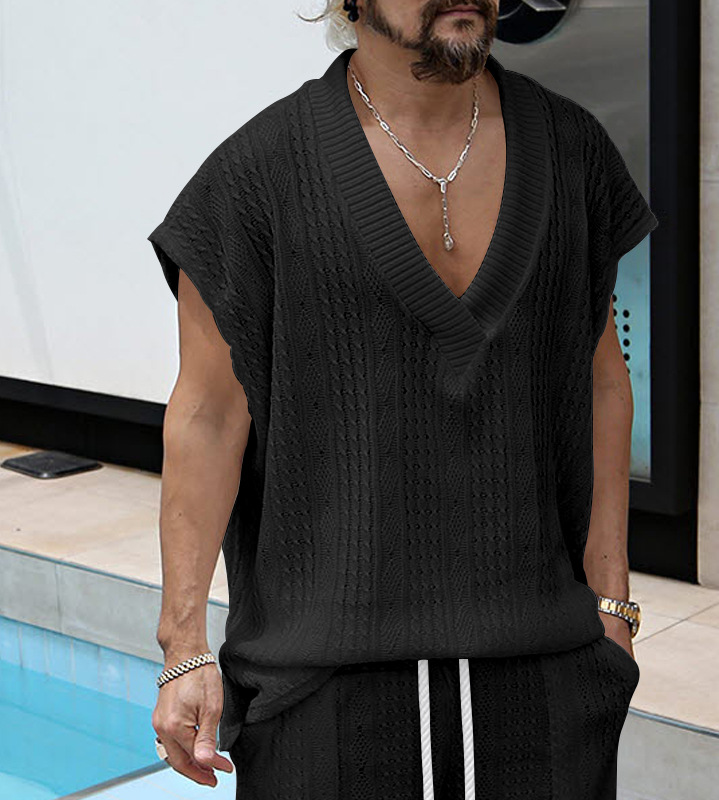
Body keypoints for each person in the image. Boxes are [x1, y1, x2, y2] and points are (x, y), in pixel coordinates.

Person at [148, 1, 656, 798]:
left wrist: (612, 605)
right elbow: (209, 419)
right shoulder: (255, 179)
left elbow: (601, 383)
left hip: (544, 681)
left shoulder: (571, 150)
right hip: (322, 695)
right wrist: (183, 645)